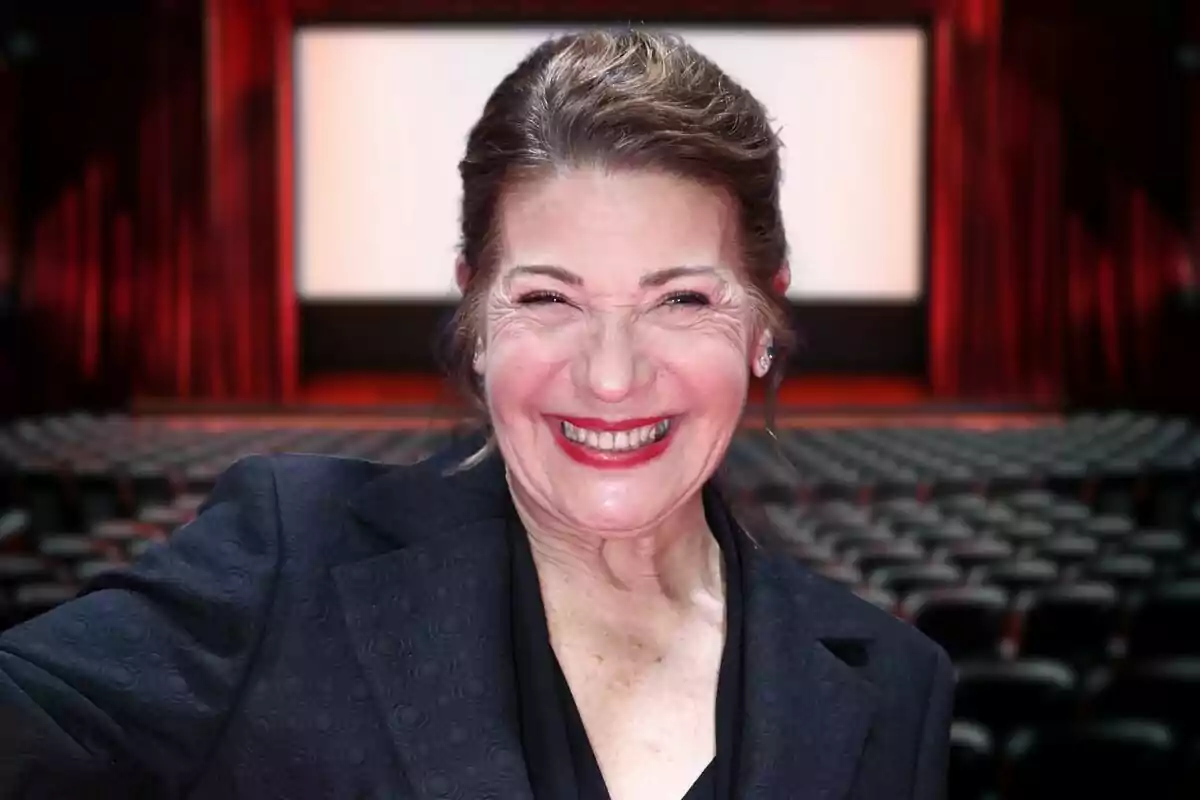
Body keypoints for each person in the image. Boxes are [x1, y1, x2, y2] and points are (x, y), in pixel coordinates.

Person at [0, 28, 953, 799]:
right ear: (477, 317)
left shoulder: (899, 687)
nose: (612, 377)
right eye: (548, 298)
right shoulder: (282, 562)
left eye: (682, 300)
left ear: (763, 322)